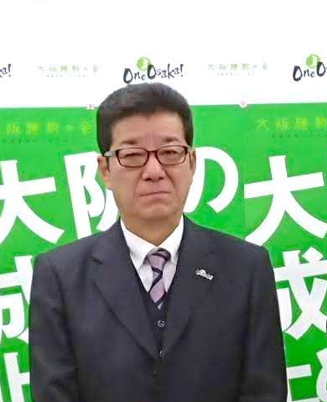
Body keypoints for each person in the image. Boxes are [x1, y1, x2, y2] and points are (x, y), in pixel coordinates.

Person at [29, 82, 287, 402]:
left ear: (191, 162)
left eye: (170, 153)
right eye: (132, 155)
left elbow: (265, 391)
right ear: (105, 169)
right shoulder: (60, 276)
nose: (154, 171)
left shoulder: (247, 268)